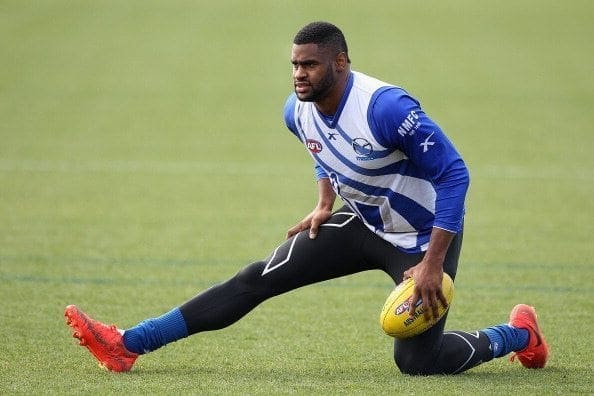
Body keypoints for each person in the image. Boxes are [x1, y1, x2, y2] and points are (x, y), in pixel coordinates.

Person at [65, 21, 548, 375]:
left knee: (417, 362)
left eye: (310, 64)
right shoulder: (297, 111)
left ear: (340, 63)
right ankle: (129, 343)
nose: (299, 73)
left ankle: (519, 334)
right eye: (295, 64)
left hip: (424, 240)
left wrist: (433, 263)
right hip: (363, 225)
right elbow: (321, 152)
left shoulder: (386, 108)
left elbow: (455, 175)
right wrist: (323, 201)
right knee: (258, 278)